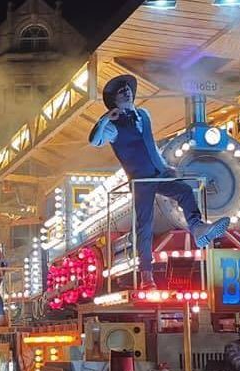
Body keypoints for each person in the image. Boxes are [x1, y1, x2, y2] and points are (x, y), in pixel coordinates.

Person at [89, 74, 230, 289]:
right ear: (114, 100)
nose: (127, 91)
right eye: (121, 91)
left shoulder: (144, 115)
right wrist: (106, 117)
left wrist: (165, 166)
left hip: (158, 173)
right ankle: (146, 275)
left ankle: (198, 228)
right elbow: (94, 140)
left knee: (184, 191)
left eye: (127, 88)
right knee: (144, 225)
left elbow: (151, 145)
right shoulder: (113, 126)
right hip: (140, 179)